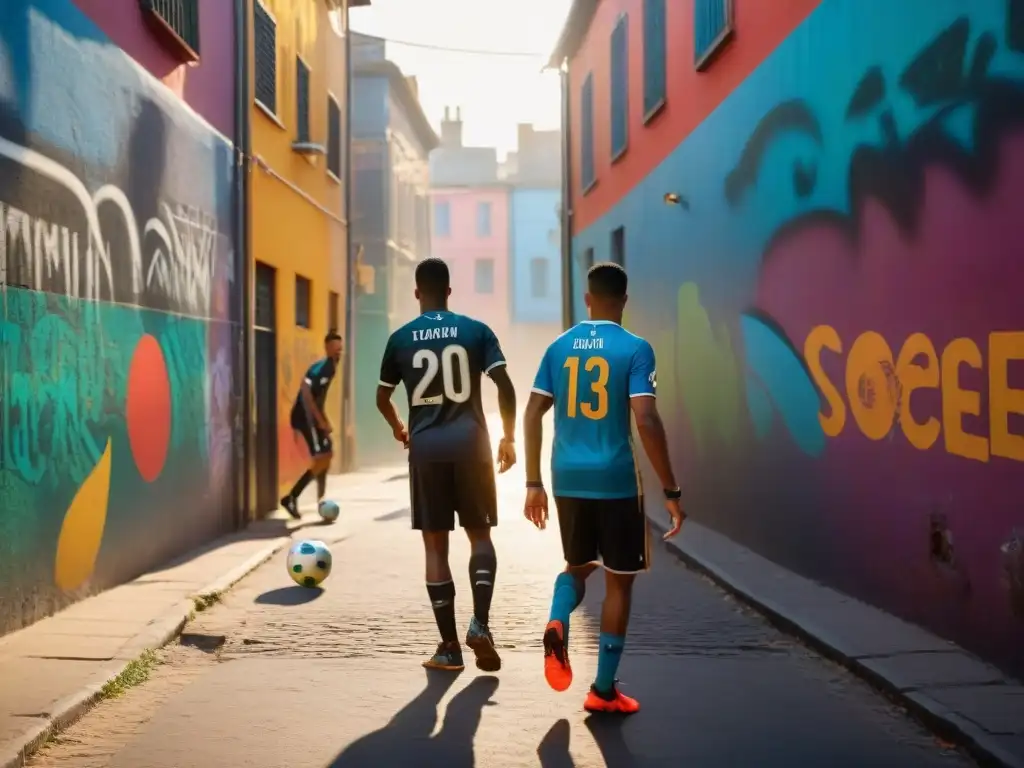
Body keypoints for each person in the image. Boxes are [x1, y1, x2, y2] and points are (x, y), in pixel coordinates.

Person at [522, 262, 685, 715]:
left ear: (587, 297)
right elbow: (646, 418)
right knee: (618, 583)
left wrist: (533, 482)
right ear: (625, 301)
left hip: (565, 478)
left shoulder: (558, 347)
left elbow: (532, 412)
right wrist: (671, 489)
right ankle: (604, 690)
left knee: (576, 566)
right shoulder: (635, 348)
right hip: (614, 480)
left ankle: (558, 618)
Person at [376, 257, 518, 673]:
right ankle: (481, 624)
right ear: (449, 291)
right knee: (480, 537)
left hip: (427, 451)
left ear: (417, 292)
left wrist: (400, 428)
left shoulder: (400, 339)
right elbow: (504, 384)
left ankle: (450, 648)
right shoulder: (476, 330)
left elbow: (382, 398)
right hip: (473, 447)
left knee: (436, 546)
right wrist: (508, 436)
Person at [281, 331, 343, 519]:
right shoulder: (322, 368)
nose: (338, 352)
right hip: (304, 416)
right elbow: (306, 391)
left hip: (313, 417)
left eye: (340, 349)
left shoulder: (332, 366)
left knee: (327, 454)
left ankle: (321, 500)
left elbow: (319, 398)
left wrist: (324, 420)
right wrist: (320, 420)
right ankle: (291, 496)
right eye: (335, 349)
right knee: (322, 456)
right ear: (327, 349)